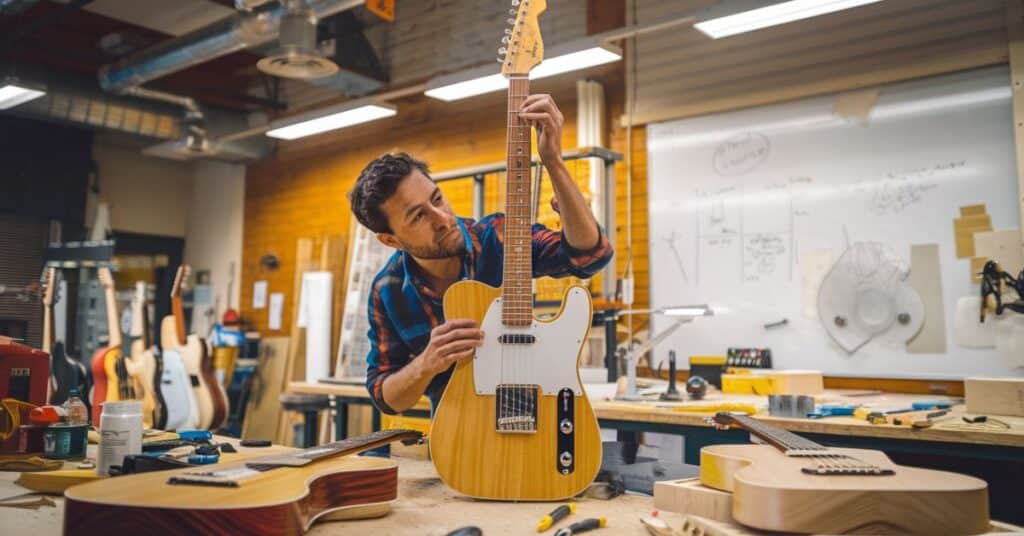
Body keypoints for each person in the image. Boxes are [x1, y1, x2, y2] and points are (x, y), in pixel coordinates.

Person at [349, 94, 613, 414]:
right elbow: (387, 398)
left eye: (437, 199)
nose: (443, 218)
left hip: (539, 427)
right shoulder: (388, 290)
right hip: (459, 443)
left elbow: (590, 255)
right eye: (419, 216)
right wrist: (427, 363)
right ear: (391, 240)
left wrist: (552, 160)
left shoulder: (497, 239)